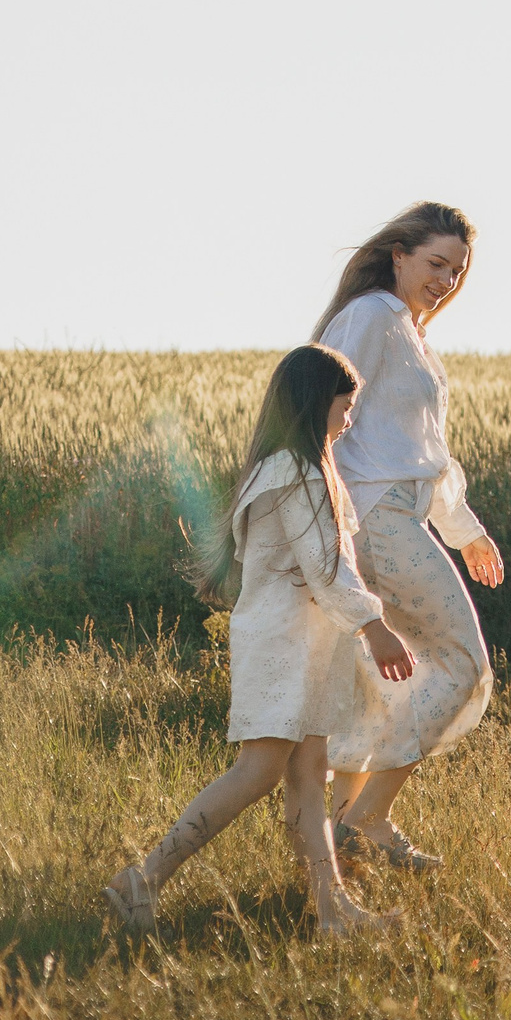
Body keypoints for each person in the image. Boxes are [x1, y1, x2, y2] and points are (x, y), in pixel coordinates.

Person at [104, 345, 416, 936]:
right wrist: (375, 625)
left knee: (309, 770)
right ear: (311, 403)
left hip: (307, 642)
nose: (348, 418)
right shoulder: (293, 471)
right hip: (283, 643)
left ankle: (333, 911)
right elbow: (326, 568)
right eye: (343, 406)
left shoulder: (298, 466)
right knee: (260, 770)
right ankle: (141, 882)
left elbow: (324, 567)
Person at [313, 201, 505, 872]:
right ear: (399, 253)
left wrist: (465, 530)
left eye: (458, 270)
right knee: (463, 663)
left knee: (387, 680)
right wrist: (330, 520)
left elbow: (425, 451)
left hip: (403, 514)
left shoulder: (409, 330)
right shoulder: (370, 317)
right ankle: (370, 815)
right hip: (378, 518)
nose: (447, 279)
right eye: (435, 263)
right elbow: (319, 408)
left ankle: (347, 828)